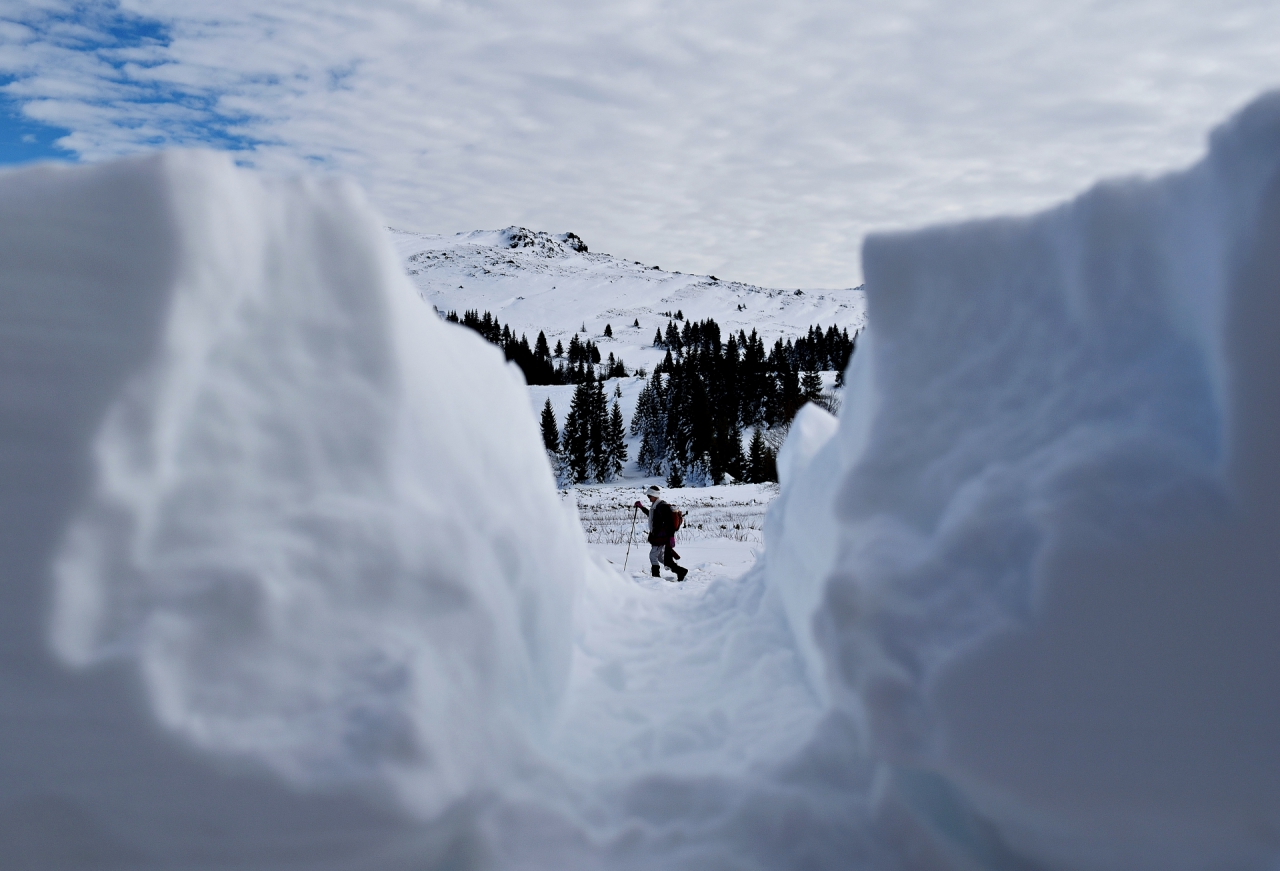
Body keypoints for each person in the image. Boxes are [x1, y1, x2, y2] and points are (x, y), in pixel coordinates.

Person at [634, 485, 688, 581]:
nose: (648, 498)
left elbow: (670, 523)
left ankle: (656, 578)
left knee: (652, 556)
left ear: (654, 495)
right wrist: (641, 507)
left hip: (661, 537)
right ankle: (680, 571)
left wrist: (671, 537)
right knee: (660, 557)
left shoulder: (662, 507)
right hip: (659, 536)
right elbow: (652, 517)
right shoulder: (657, 506)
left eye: (649, 496)